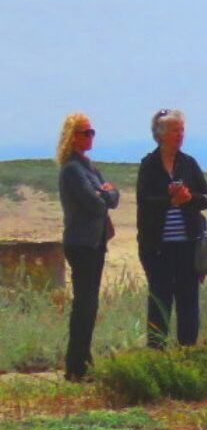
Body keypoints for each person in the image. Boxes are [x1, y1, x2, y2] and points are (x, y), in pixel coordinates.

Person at [136, 109, 207, 348]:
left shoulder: (188, 163)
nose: (180, 134)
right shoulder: (149, 164)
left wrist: (188, 198)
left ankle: (187, 352)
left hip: (188, 245)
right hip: (157, 247)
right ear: (160, 134)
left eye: (182, 129)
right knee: (159, 300)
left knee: (188, 300)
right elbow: (144, 201)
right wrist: (169, 200)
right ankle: (156, 353)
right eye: (174, 130)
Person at [56, 113, 119, 380]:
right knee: (84, 304)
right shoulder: (72, 169)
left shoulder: (89, 167)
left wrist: (105, 193)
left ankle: (83, 360)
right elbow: (94, 203)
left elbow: (113, 198)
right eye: (85, 132)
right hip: (81, 244)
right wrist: (104, 193)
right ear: (72, 136)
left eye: (92, 132)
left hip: (95, 243)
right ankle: (76, 366)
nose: (90, 137)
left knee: (89, 304)